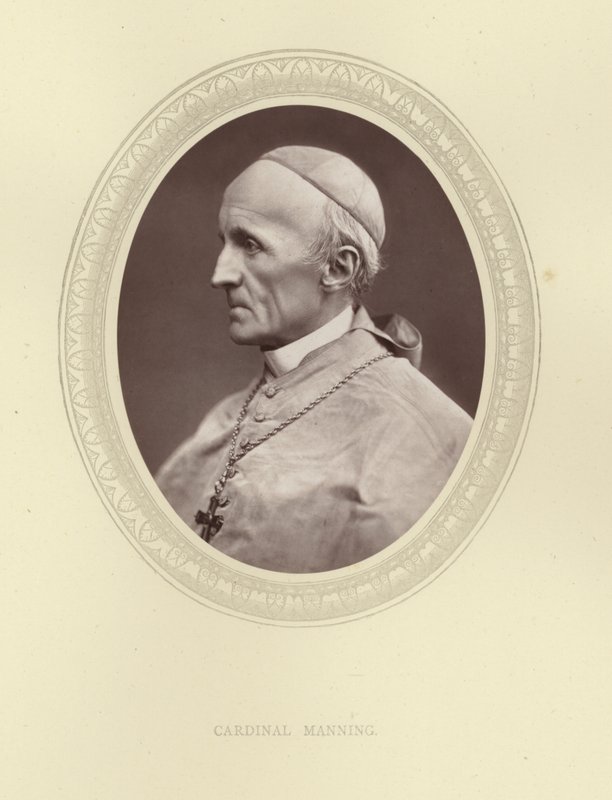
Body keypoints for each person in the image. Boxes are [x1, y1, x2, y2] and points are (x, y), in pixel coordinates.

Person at [156, 145, 472, 573]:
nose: (220, 275)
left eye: (250, 245)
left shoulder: (433, 436)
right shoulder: (221, 419)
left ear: (338, 269)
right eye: (224, 243)